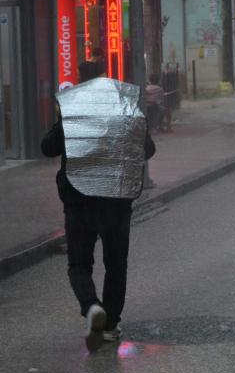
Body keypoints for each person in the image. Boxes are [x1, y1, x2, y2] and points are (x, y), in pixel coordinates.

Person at [41, 74, 156, 352]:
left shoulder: (74, 114)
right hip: (117, 202)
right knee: (116, 265)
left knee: (79, 265)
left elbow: (47, 148)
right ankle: (111, 324)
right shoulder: (127, 113)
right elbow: (148, 149)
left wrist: (63, 121)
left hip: (79, 202)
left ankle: (91, 306)